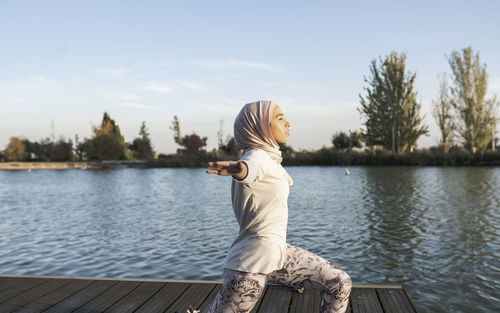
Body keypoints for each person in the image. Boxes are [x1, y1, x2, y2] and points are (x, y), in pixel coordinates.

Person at [205, 100, 352, 313]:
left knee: (340, 282)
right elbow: (249, 170)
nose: (288, 123)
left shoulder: (269, 159)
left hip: (277, 254)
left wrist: (242, 168)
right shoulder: (256, 157)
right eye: (280, 118)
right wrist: (239, 169)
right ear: (259, 125)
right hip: (251, 265)